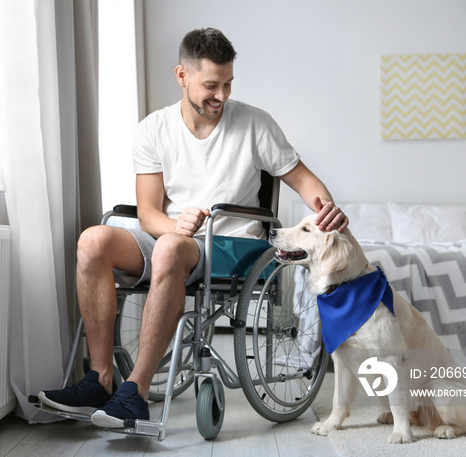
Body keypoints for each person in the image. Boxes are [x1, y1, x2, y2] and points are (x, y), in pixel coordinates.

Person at [39, 28, 348, 428]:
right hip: (174, 237)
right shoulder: (154, 129)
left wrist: (327, 210)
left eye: (228, 84)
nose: (221, 96)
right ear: (182, 76)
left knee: (169, 248)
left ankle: (133, 391)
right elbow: (148, 212)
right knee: (93, 240)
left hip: (234, 244)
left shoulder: (255, 124)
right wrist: (175, 224)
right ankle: (99, 379)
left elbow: (304, 181)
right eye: (211, 86)